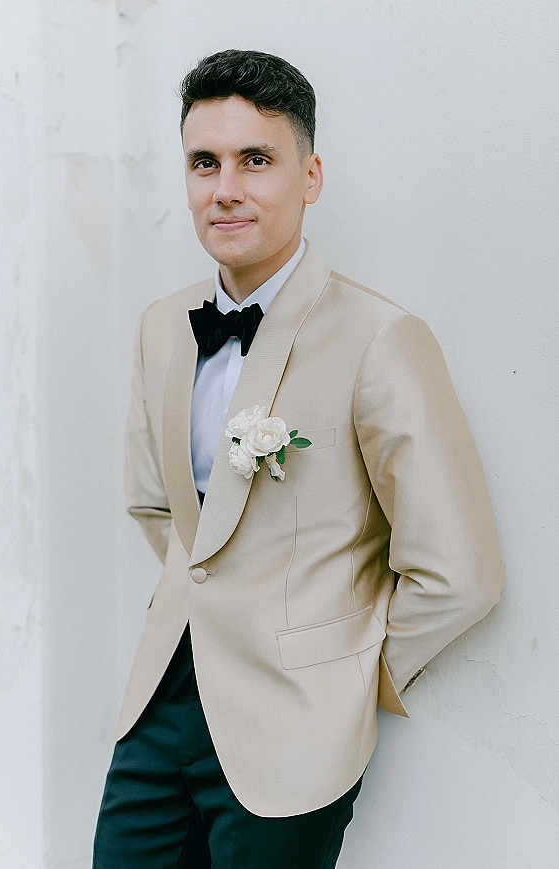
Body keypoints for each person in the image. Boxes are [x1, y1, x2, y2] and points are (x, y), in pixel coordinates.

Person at [92, 49, 504, 868]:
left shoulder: (380, 339)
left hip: (292, 732)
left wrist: (344, 681)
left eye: (256, 159)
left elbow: (460, 570)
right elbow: (157, 507)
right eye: (204, 162)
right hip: (160, 707)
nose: (226, 188)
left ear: (309, 176)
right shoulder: (161, 325)